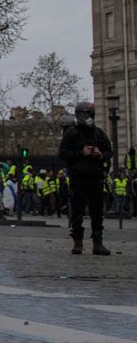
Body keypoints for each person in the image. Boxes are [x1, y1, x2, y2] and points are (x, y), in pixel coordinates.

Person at [60, 100, 113, 255]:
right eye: (82, 115)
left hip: (96, 177)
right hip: (79, 177)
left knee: (97, 212)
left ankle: (98, 242)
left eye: (87, 115)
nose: (85, 118)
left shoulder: (98, 133)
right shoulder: (72, 134)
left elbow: (109, 152)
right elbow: (63, 153)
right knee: (77, 211)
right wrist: (81, 153)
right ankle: (78, 242)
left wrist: (100, 154)